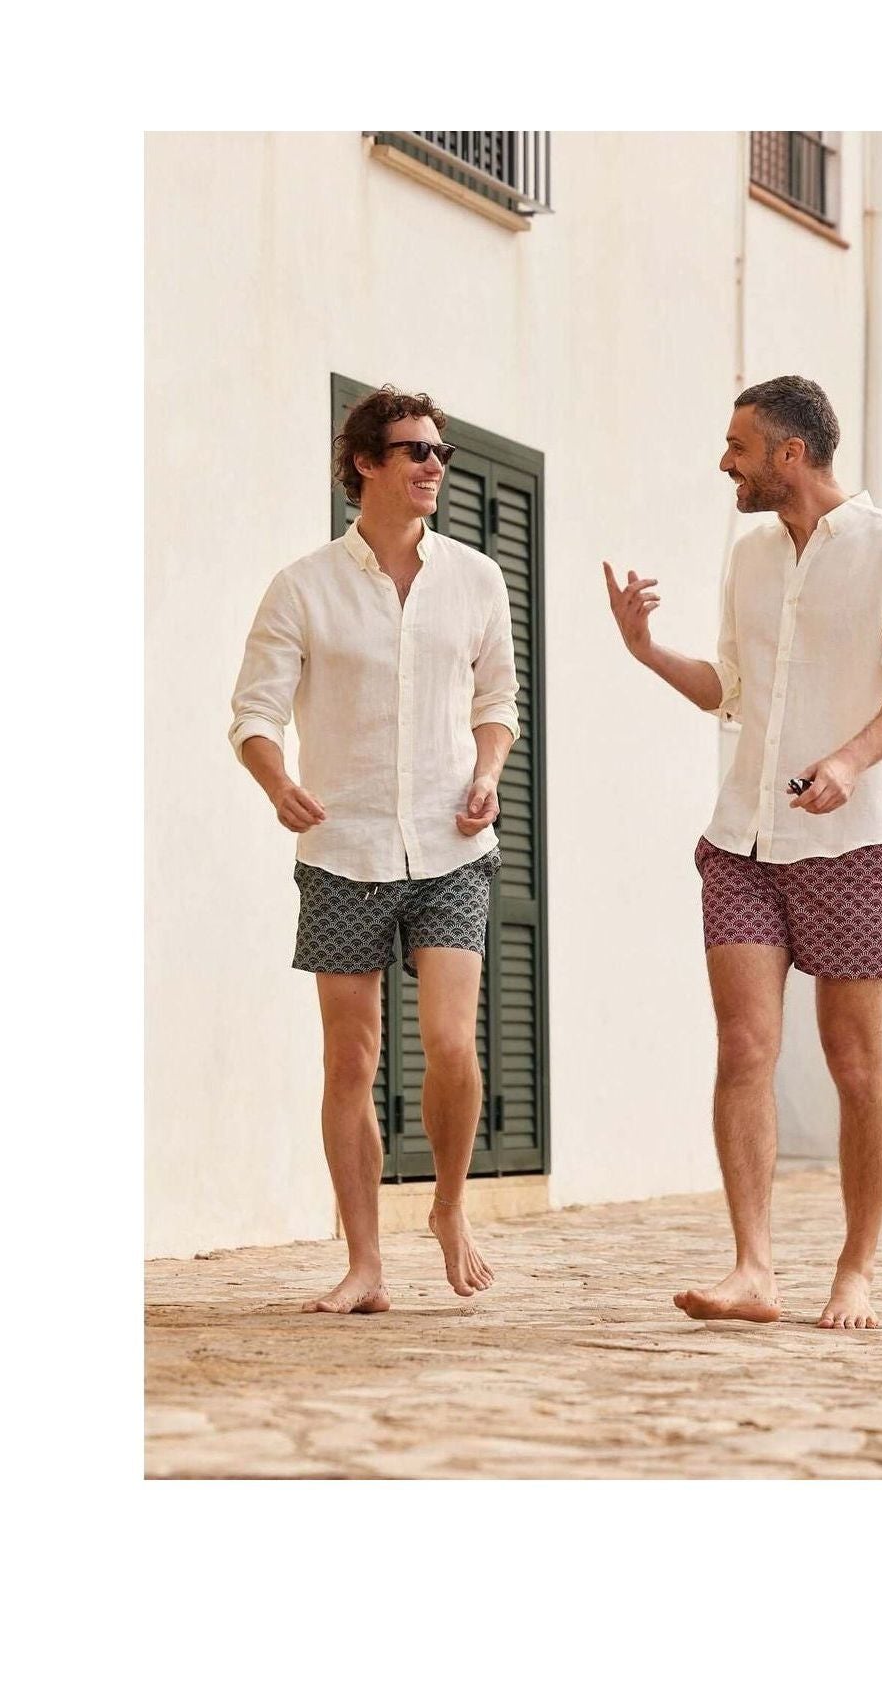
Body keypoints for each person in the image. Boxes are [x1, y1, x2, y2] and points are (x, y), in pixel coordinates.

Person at [603, 375, 882, 1330]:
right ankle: (753, 1266)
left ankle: (857, 1268)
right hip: (744, 839)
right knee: (745, 1047)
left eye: (738, 447)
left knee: (853, 1059)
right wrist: (646, 649)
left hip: (852, 840)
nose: (726, 463)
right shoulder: (750, 555)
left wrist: (847, 759)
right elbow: (731, 686)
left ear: (790, 454)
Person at [229, 385, 518, 1313]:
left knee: (449, 1044)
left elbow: (497, 706)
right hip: (340, 846)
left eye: (440, 451)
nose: (435, 465)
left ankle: (447, 1206)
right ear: (365, 462)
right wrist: (278, 785)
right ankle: (364, 1263)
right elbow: (254, 715)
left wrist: (488, 772)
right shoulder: (302, 586)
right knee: (350, 1062)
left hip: (450, 845)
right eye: (415, 451)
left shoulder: (476, 578)